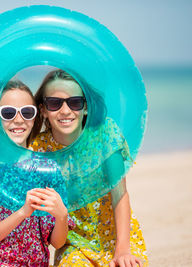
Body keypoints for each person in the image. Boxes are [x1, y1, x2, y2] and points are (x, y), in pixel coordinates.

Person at [29, 69, 148, 267]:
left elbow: (120, 193)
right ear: (43, 110)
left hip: (118, 237)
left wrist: (122, 249)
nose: (65, 111)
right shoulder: (38, 149)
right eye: (54, 103)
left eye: (74, 102)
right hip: (73, 243)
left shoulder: (105, 134)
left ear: (85, 107)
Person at [0, 80, 74, 266]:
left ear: (35, 118)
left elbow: (56, 242)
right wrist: (23, 212)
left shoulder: (47, 170)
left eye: (27, 112)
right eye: (8, 113)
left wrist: (61, 216)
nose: (19, 120)